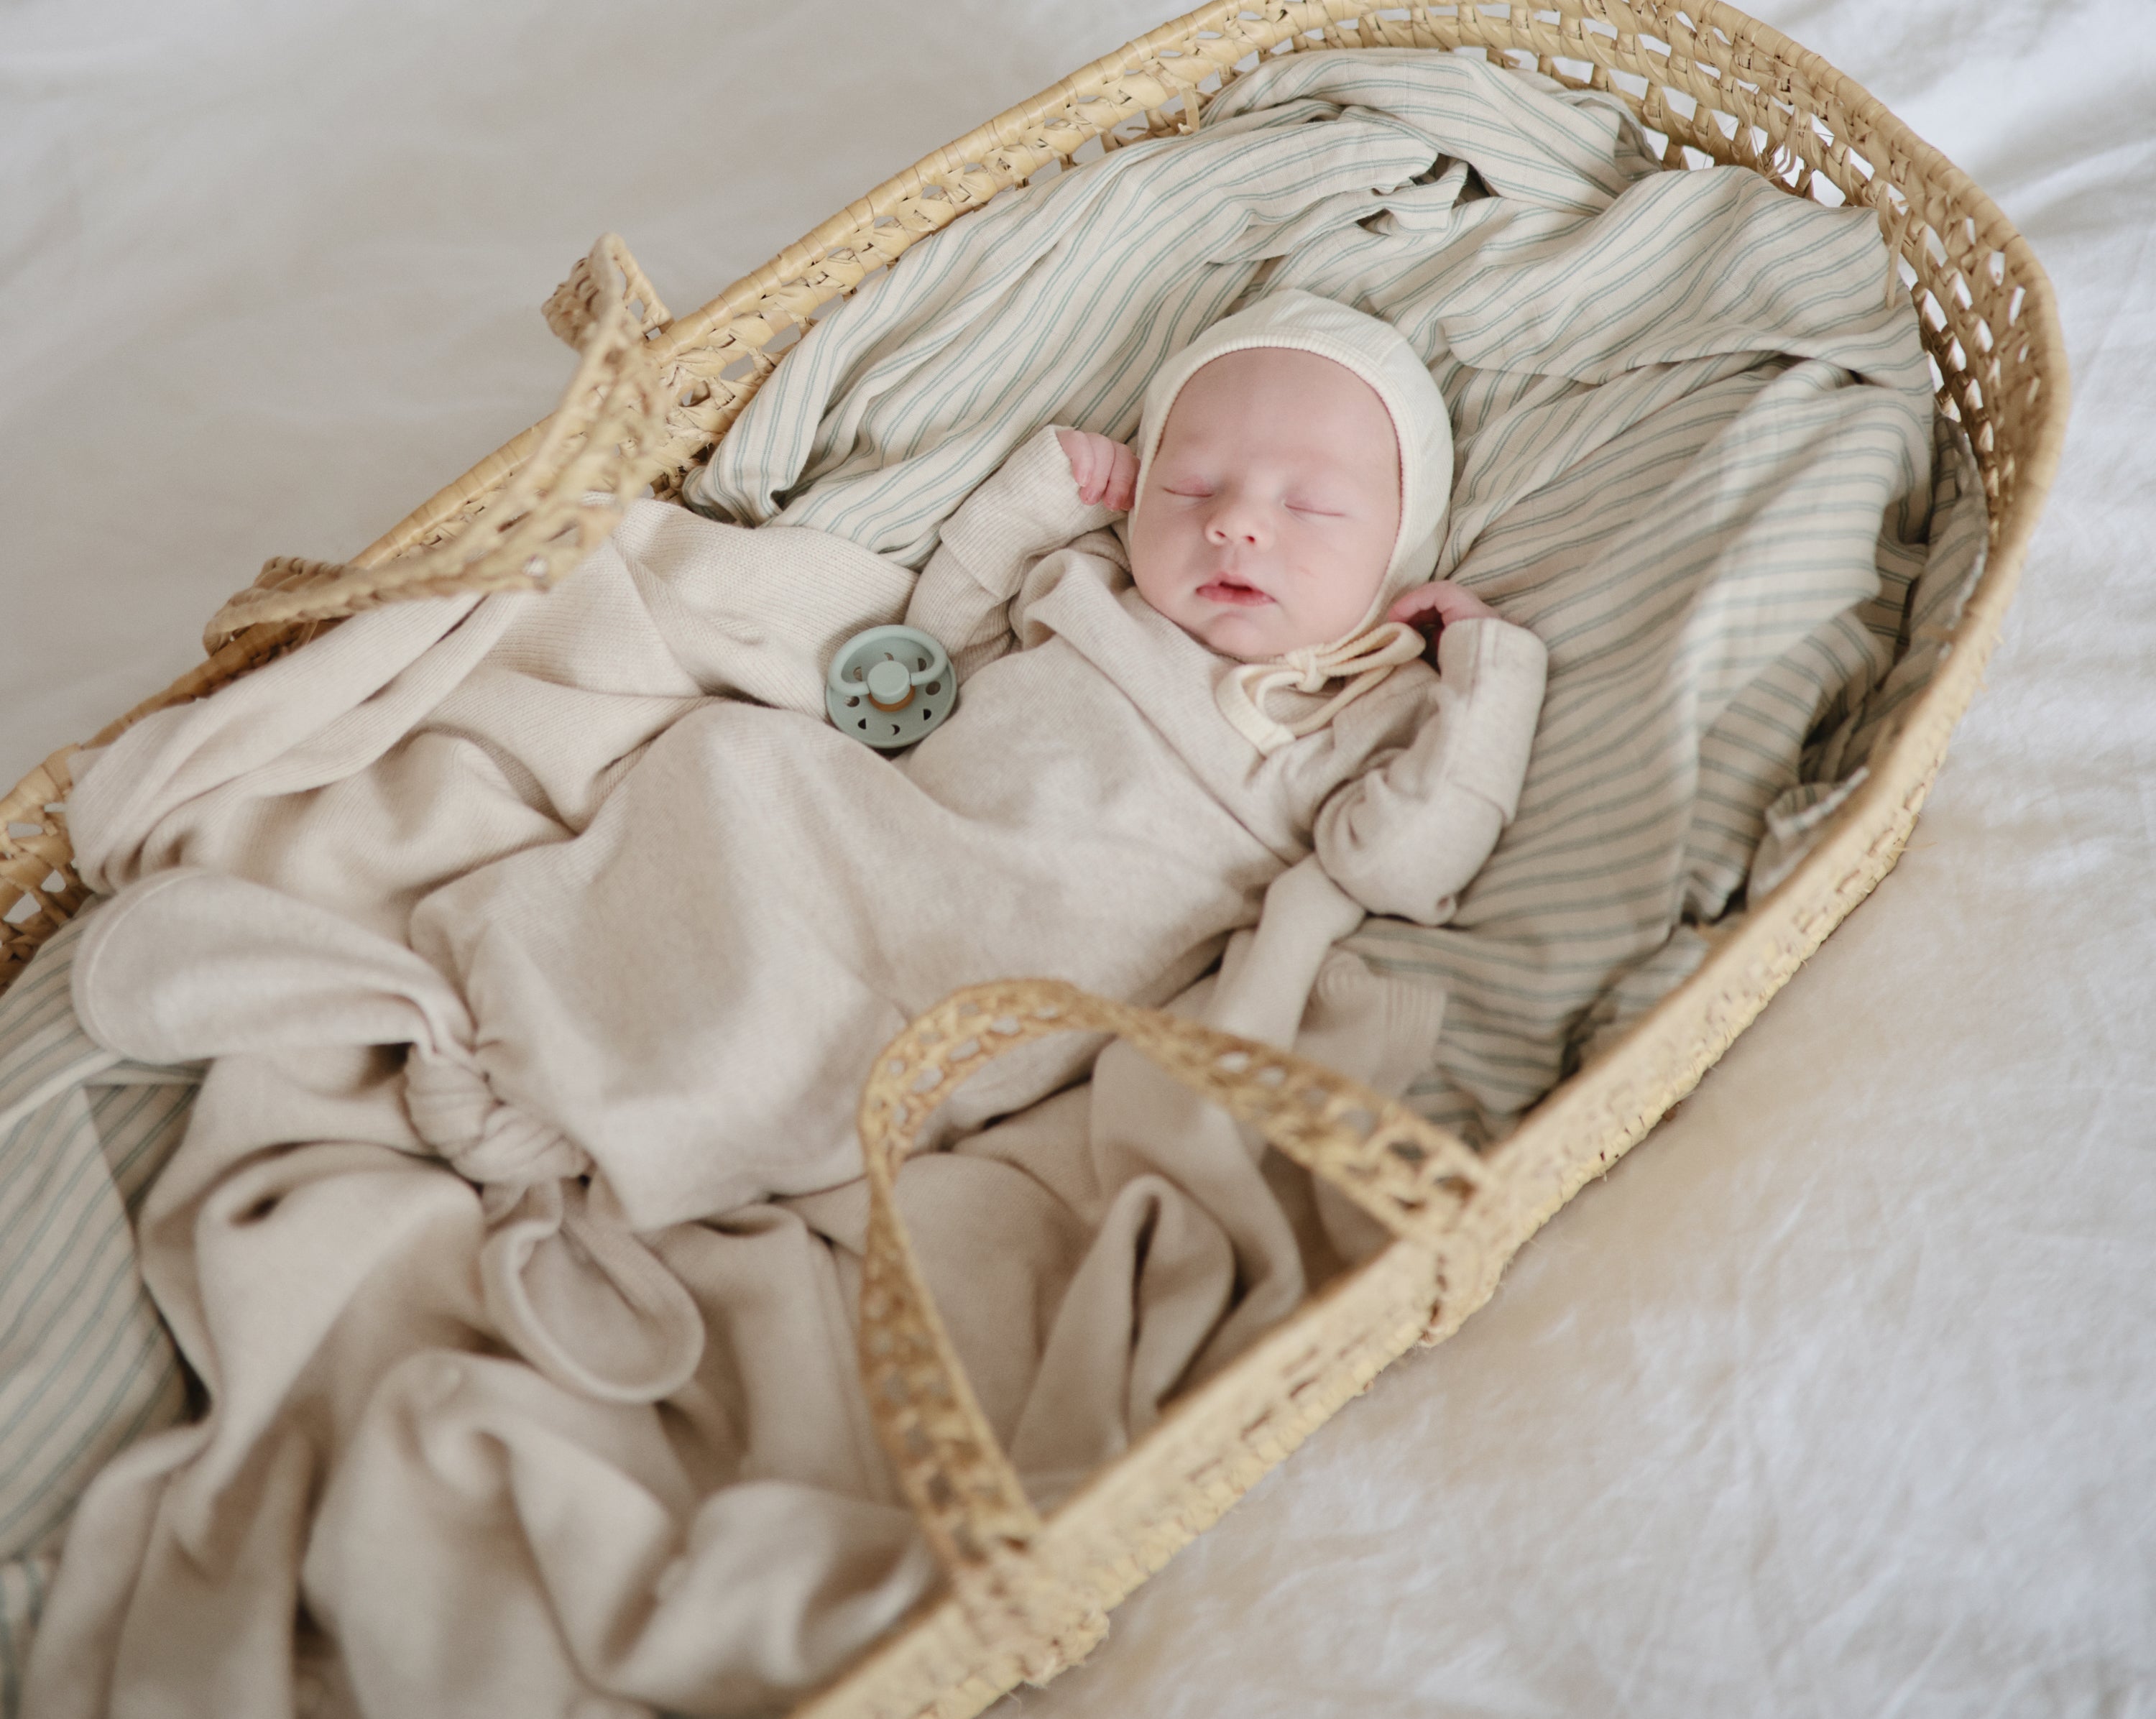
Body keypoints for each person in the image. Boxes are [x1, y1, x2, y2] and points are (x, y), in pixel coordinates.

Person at [402, 291, 1550, 1223]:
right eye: (1192, 484)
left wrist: (1488, 681)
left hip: (1003, 947)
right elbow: (936, 649)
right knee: (733, 758)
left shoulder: (1356, 703)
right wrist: (1033, 503)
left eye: (1312, 510)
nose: (1237, 521)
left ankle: (634, 1111)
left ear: (1400, 559)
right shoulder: (1088, 584)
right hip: (877, 832)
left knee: (863, 1030)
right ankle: (546, 985)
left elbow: (1399, 865)